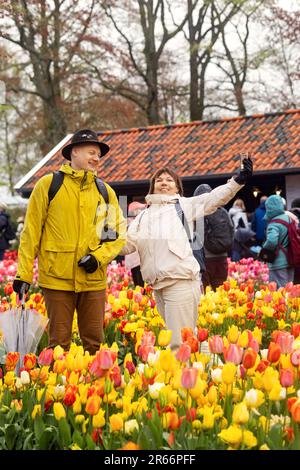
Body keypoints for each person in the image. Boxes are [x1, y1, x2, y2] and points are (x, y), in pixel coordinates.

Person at [120, 158, 253, 351]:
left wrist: (237, 181)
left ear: (177, 188)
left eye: (168, 180)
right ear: (152, 187)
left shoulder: (183, 205)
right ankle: (207, 368)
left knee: (178, 342)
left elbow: (213, 198)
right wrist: (103, 245)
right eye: (159, 180)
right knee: (186, 335)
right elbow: (128, 245)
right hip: (158, 285)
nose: (163, 182)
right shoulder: (143, 216)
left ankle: (185, 377)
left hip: (180, 280)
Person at [13, 129, 126, 354]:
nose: (96, 158)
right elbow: (31, 233)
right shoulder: (48, 185)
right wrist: (23, 274)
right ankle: (60, 389)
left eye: (98, 155)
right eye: (91, 152)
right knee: (58, 343)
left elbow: (116, 235)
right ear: (74, 152)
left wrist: (98, 257)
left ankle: (93, 388)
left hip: (93, 279)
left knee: (95, 344)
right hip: (57, 279)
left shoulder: (106, 192)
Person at [193, 184, 233, 291]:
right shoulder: (223, 211)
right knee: (220, 291)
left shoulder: (200, 212)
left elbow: (197, 237)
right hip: (222, 257)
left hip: (206, 258)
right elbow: (232, 230)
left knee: (204, 293)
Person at [260, 195, 294, 288]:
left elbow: (272, 241)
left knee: (280, 293)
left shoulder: (274, 223)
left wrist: (263, 250)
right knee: (290, 291)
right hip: (291, 259)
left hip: (278, 263)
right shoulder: (289, 219)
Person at [125, 201, 146, 288]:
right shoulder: (130, 223)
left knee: (142, 285)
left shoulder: (142, 222)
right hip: (134, 259)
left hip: (140, 259)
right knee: (138, 285)